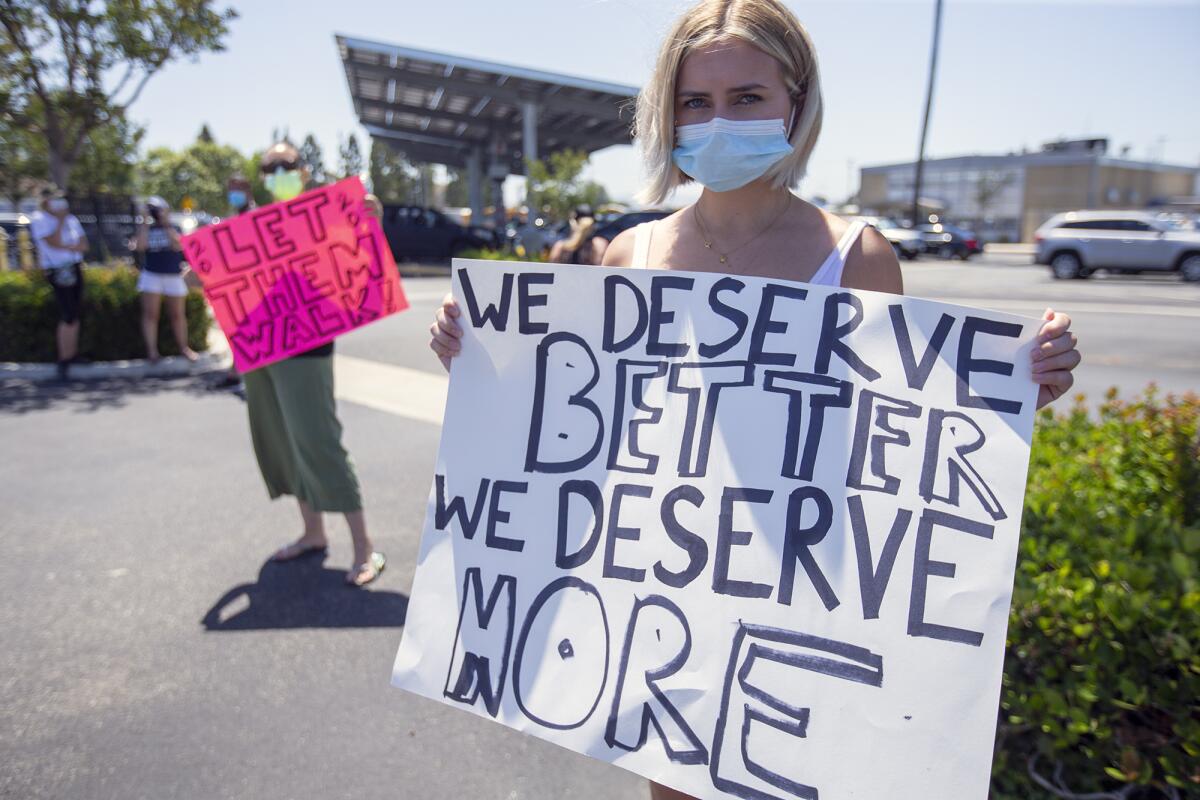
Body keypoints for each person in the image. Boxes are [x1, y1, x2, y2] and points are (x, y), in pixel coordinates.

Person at [430, 1, 1080, 796]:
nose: (718, 122)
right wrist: (481, 360)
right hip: (661, 599)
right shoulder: (628, 255)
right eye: (695, 103)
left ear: (795, 104)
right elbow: (582, 428)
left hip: (794, 603)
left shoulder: (857, 257)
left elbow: (900, 437)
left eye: (746, 98)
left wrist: (1017, 390)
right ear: (666, 114)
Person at [242, 142, 386, 587]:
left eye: (286, 165)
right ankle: (312, 533)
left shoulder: (325, 215)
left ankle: (365, 548)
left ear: (303, 172)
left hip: (306, 344)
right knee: (284, 442)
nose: (278, 172)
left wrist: (372, 218)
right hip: (259, 344)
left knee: (319, 440)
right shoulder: (248, 225)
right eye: (270, 167)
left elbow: (361, 258)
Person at [30, 188, 89, 380]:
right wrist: (60, 220)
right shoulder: (39, 218)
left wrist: (68, 245)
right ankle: (63, 358)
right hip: (58, 269)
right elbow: (52, 243)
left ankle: (72, 354)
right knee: (67, 312)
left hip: (74, 266)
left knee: (75, 311)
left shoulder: (72, 219)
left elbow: (83, 245)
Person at [133, 196, 197, 363]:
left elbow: (178, 246)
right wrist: (145, 223)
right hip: (151, 275)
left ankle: (184, 347)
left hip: (173, 275)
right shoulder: (145, 228)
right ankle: (152, 352)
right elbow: (140, 247)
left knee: (178, 314)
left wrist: (166, 223)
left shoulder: (173, 226)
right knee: (150, 314)